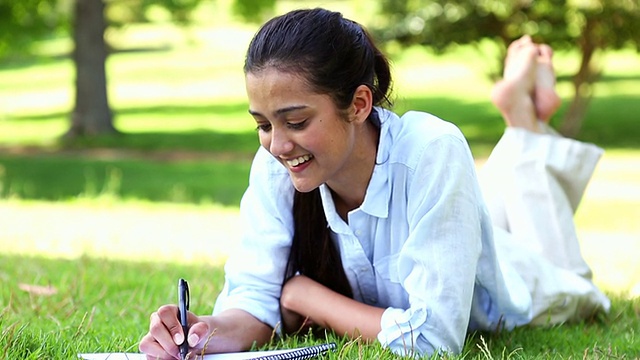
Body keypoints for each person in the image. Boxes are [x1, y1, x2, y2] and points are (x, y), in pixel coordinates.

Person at [139, 8, 610, 359]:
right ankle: (525, 120)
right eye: (262, 124)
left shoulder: (432, 149)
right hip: (457, 234)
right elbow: (255, 299)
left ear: (360, 104)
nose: (277, 145)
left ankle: (524, 121)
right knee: (496, 211)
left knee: (575, 281)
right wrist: (202, 334)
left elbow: (435, 342)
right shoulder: (276, 167)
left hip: (516, 284)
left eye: (296, 121)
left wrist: (310, 298)